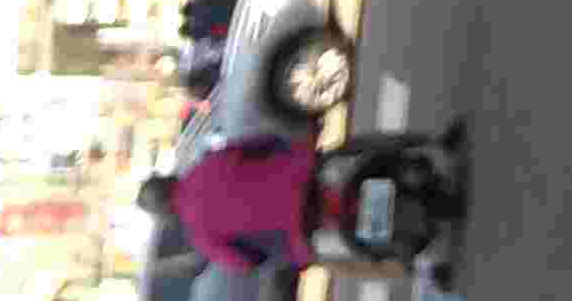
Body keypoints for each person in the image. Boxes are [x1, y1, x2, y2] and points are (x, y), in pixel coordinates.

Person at [141, 120, 469, 279]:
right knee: (368, 146)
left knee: (355, 265)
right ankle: (434, 142)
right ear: (169, 180)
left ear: (166, 213)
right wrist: (297, 151)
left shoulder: (201, 237)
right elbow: (262, 143)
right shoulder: (206, 165)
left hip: (302, 233)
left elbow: (245, 262)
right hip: (312, 175)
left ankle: (426, 268)